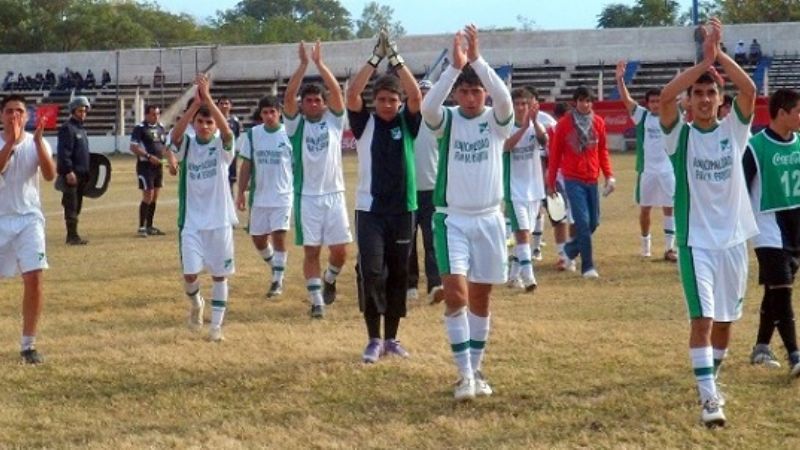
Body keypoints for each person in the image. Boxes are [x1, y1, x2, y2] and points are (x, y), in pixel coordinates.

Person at [658, 17, 757, 427]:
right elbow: (665, 97)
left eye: (710, 92)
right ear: (689, 101)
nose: (702, 98)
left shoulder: (734, 131)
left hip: (733, 241)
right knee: (702, 320)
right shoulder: (679, 137)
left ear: (719, 100)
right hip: (696, 242)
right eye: (696, 93)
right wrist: (703, 63)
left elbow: (749, 91)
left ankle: (710, 378)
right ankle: (709, 399)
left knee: (726, 322)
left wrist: (720, 58)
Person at [421, 24, 513, 401]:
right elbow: (428, 108)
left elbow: (505, 100)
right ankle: (463, 376)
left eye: (477, 91)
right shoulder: (448, 120)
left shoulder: (495, 120)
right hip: (452, 219)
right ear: (457, 93)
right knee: (456, 294)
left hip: (489, 218)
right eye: (465, 91)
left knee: (480, 299)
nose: (471, 97)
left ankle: (476, 370)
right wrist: (455, 68)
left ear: (483, 93)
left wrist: (478, 60)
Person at [347, 30, 422, 363]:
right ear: (375, 102)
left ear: (399, 102)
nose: (388, 105)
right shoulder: (365, 124)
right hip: (370, 211)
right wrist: (375, 58)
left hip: (403, 209)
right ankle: (373, 339)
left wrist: (396, 59)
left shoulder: (408, 123)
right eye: (382, 100)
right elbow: (352, 93)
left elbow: (416, 95)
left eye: (393, 99)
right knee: (372, 272)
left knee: (398, 274)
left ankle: (392, 338)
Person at [166, 74, 238, 342]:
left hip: (219, 221)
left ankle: (216, 328)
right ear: (194, 124)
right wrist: (195, 105)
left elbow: (227, 133)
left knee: (220, 276)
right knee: (189, 274)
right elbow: (175, 137)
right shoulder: (188, 144)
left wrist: (207, 99)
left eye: (209, 122)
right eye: (200, 121)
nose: (205, 126)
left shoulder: (222, 145)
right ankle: (197, 303)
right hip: (192, 222)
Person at [284, 40, 351, 319]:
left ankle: (330, 279)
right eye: (308, 100)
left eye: (317, 100)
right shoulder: (295, 124)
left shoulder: (334, 122)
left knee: (340, 251)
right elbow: (289, 96)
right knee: (311, 251)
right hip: (307, 197)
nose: (313, 104)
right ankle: (316, 302)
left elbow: (336, 92)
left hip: (335, 194)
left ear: (324, 104)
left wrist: (320, 64)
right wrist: (303, 65)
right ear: (303, 104)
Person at [744, 88, 800, 376]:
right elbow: (740, 189)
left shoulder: (799, 143)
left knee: (775, 290)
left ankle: (762, 347)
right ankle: (795, 355)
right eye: (798, 111)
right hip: (767, 229)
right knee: (782, 290)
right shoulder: (755, 147)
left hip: (795, 229)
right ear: (781, 113)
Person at [0, 95, 57, 364]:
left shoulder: (38, 141)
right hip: (1, 217)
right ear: (2, 116)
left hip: (29, 219)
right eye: (9, 111)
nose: (14, 116)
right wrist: (11, 143)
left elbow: (49, 175)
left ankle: (28, 345)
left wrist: (37, 144)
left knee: (34, 277)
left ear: (27, 116)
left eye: (19, 111)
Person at [547, 86, 615, 278]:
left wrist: (609, 175)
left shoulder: (598, 122)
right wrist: (551, 182)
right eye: (582, 100)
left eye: (589, 101)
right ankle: (588, 266)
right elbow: (555, 154)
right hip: (572, 179)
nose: (585, 104)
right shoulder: (564, 124)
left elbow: (602, 150)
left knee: (593, 222)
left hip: (592, 178)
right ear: (575, 102)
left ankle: (569, 250)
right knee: (583, 223)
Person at [615, 60, 676, 261]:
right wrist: (620, 80)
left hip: (667, 170)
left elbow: (686, 101)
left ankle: (669, 248)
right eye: (652, 101)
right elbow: (626, 100)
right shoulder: (642, 116)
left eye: (658, 101)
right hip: (647, 171)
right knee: (645, 209)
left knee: (669, 208)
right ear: (648, 103)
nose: (656, 104)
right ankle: (645, 247)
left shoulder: (670, 115)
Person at [236, 95, 293, 299]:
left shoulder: (289, 134)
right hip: (260, 197)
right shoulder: (253, 135)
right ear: (261, 114)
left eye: (273, 112)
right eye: (265, 112)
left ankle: (277, 280)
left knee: (279, 235)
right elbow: (246, 165)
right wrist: (241, 192)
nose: (269, 116)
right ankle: (276, 266)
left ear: (280, 113)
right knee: (258, 239)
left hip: (283, 195)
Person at [503, 87, 547, 292]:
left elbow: (544, 141)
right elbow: (507, 146)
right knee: (521, 233)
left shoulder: (536, 125)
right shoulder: (506, 126)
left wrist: (534, 123)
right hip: (514, 189)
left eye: (524, 104)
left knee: (525, 233)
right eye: (517, 104)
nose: (521, 108)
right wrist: (523, 128)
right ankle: (529, 277)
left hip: (534, 188)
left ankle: (513, 277)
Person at [408, 78, 445, 305]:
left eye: (427, 93)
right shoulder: (406, 119)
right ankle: (410, 284)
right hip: (409, 192)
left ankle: (435, 284)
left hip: (433, 191)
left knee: (432, 240)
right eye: (421, 93)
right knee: (408, 241)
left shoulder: (440, 122)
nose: (424, 97)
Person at [57, 96, 92, 245]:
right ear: (73, 111)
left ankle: (73, 234)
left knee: (77, 205)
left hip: (82, 174)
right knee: (71, 205)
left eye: (85, 111)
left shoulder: (81, 129)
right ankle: (72, 236)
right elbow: (64, 152)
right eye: (80, 111)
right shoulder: (68, 128)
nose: (83, 114)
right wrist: (68, 171)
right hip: (72, 174)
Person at [130, 104, 167, 237]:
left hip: (158, 166)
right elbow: (133, 147)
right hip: (145, 166)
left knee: (155, 195)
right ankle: (141, 226)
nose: (155, 116)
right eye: (153, 114)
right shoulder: (140, 128)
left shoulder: (161, 128)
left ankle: (149, 225)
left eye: (157, 114)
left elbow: (164, 146)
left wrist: (168, 159)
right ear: (146, 115)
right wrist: (148, 156)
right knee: (148, 195)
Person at [217, 96, 241, 195]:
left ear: (231, 106)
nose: (224, 106)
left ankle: (231, 198)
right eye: (221, 103)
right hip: (217, 153)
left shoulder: (234, 121)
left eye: (226, 103)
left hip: (230, 153)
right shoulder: (213, 120)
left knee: (231, 179)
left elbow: (237, 135)